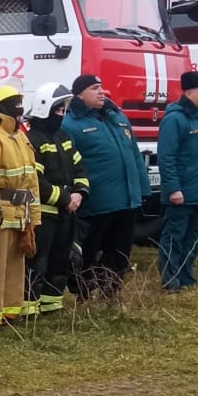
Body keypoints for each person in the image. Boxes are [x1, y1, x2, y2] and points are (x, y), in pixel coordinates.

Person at [62, 74, 148, 299]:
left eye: (102, 87)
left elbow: (134, 154)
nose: (101, 92)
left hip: (126, 199)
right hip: (97, 201)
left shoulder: (117, 116)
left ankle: (111, 290)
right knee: (89, 249)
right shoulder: (70, 123)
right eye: (94, 88)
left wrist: (141, 188)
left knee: (120, 250)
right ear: (79, 94)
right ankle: (83, 291)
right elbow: (68, 164)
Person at [0, 84, 39, 325]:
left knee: (14, 268)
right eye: (14, 102)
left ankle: (10, 311)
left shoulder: (20, 135)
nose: (19, 107)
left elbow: (32, 180)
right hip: (0, 211)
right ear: (0, 108)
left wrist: (34, 217)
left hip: (20, 213)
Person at [155, 70, 198, 290]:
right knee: (174, 237)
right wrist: (173, 188)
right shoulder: (175, 118)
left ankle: (186, 276)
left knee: (194, 239)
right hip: (182, 193)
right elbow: (167, 157)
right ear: (188, 92)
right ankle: (170, 279)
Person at [24, 81, 86, 314]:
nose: (62, 114)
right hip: (44, 215)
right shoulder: (33, 139)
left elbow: (80, 167)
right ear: (44, 109)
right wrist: (64, 198)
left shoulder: (64, 136)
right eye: (58, 110)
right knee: (37, 261)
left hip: (67, 212)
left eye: (63, 110)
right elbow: (35, 181)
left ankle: (52, 303)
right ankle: (29, 307)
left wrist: (80, 193)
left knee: (61, 259)